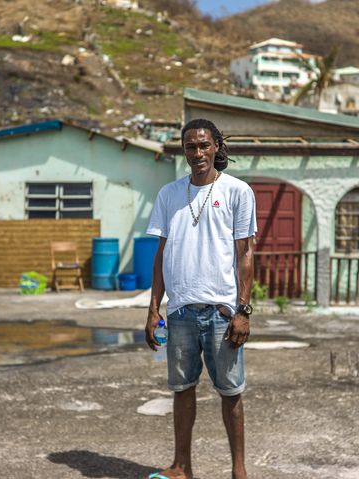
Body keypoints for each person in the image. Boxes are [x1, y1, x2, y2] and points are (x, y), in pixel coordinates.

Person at [145, 118, 256, 479]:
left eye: (204, 145)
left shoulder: (238, 191)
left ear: (217, 146)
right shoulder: (169, 195)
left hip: (223, 312)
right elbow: (161, 254)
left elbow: (245, 255)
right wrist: (153, 310)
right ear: (183, 150)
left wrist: (244, 310)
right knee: (182, 389)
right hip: (179, 312)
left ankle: (238, 470)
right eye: (190, 146)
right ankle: (181, 467)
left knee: (231, 392)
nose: (198, 153)